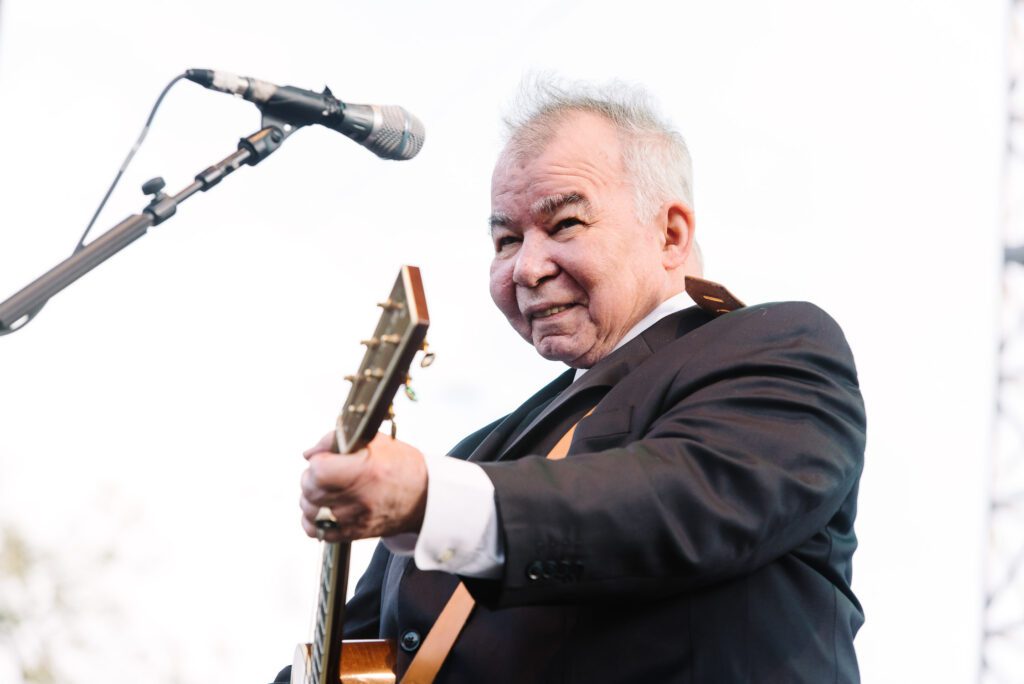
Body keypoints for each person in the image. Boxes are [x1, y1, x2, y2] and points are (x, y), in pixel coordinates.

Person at [279, 80, 866, 683]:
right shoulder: (476, 453)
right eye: (506, 240)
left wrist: (430, 498)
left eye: (564, 224)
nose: (527, 268)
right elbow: (357, 654)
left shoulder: (779, 344)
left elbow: (681, 503)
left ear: (671, 235)